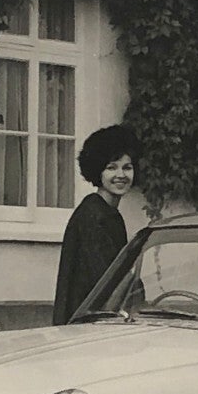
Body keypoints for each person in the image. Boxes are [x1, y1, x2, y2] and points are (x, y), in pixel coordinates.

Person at [53, 124, 138, 325]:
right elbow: (107, 283)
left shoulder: (109, 214)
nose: (121, 175)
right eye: (111, 167)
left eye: (127, 167)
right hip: (86, 324)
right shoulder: (94, 216)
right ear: (97, 171)